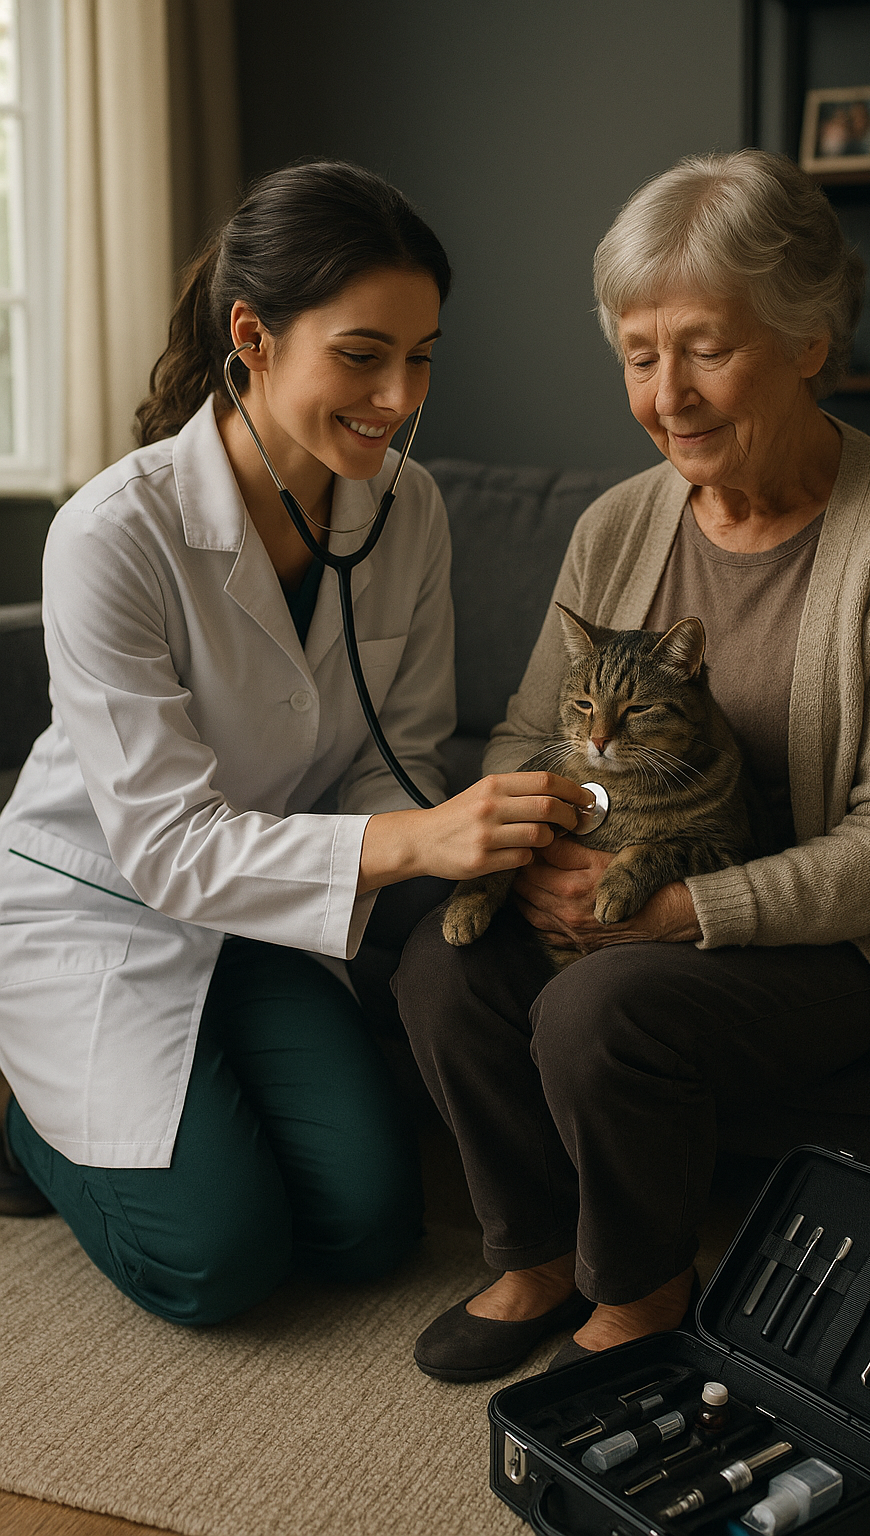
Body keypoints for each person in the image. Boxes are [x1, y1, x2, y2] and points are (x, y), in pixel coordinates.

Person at [396, 149, 870, 1382]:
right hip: (639, 865)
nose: (667, 394)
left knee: (602, 1008)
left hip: (867, 928)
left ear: (808, 339)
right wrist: (549, 850)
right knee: (441, 964)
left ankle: (642, 1293)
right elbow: (528, 733)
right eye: (639, 355)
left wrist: (680, 909)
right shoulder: (616, 524)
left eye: (705, 349)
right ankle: (534, 1254)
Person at [0, 161, 592, 1324]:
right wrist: (419, 841)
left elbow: (393, 752)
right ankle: (23, 1113)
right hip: (102, 902)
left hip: (265, 913)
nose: (398, 396)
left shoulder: (408, 510)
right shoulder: (112, 534)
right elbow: (166, 850)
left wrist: (477, 841)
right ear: (252, 338)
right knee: (215, 1262)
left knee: (366, 1228)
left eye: (420, 356)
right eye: (362, 355)